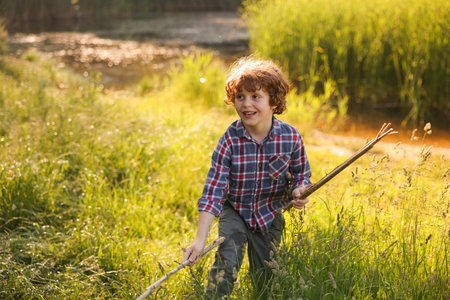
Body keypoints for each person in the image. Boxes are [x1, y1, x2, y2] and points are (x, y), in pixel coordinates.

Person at [182, 56, 312, 298]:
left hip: (270, 214)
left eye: (255, 96)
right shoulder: (230, 140)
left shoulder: (291, 137)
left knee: (266, 276)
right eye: (240, 96)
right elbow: (213, 191)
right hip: (235, 211)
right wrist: (199, 241)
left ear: (274, 101)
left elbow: (301, 175)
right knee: (226, 265)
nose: (246, 104)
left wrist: (299, 191)